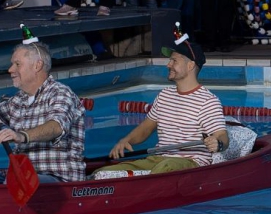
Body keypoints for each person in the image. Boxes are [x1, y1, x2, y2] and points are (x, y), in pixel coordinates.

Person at [95, 34, 228, 176]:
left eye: (174, 61)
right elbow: (146, 128)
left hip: (191, 162)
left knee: (166, 167)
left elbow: (222, 136)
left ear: (190, 65)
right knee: (103, 172)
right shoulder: (164, 95)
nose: (168, 64)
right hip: (159, 159)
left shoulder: (207, 101)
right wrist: (126, 140)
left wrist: (218, 143)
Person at [0, 41, 85, 183]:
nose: (10, 69)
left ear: (37, 65)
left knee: (14, 182)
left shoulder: (60, 93)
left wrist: (21, 136)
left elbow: (56, 127)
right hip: (24, 176)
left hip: (59, 181)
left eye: (17, 64)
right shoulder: (18, 101)